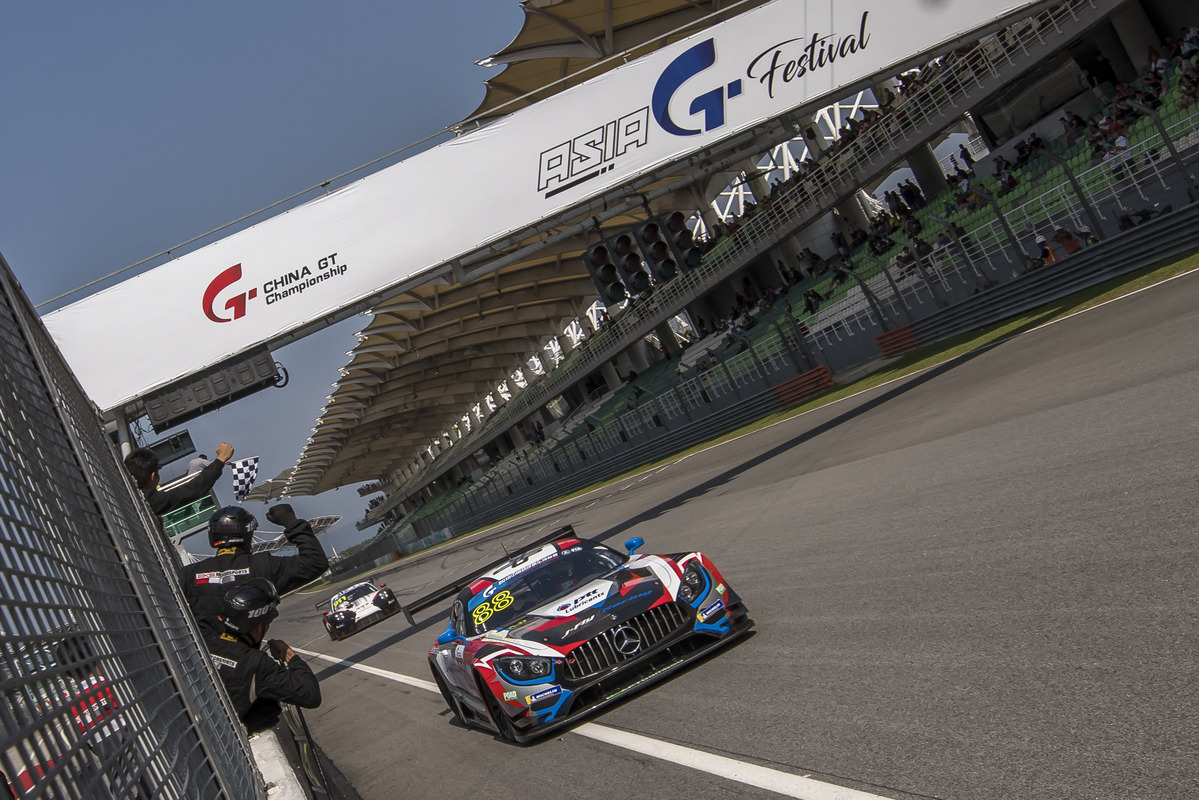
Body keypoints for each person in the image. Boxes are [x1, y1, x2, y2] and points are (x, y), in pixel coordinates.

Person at [180, 505, 329, 630]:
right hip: (247, 651)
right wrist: (291, 522)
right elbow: (315, 562)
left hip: (202, 653)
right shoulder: (262, 565)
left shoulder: (187, 575)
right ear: (248, 535)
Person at [204, 579, 321, 733]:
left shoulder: (204, 643)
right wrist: (289, 654)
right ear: (258, 627)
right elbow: (311, 695)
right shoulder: (254, 662)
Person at [124, 442, 234, 517]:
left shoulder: (125, 491)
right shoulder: (150, 500)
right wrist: (221, 459)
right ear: (153, 476)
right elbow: (192, 490)